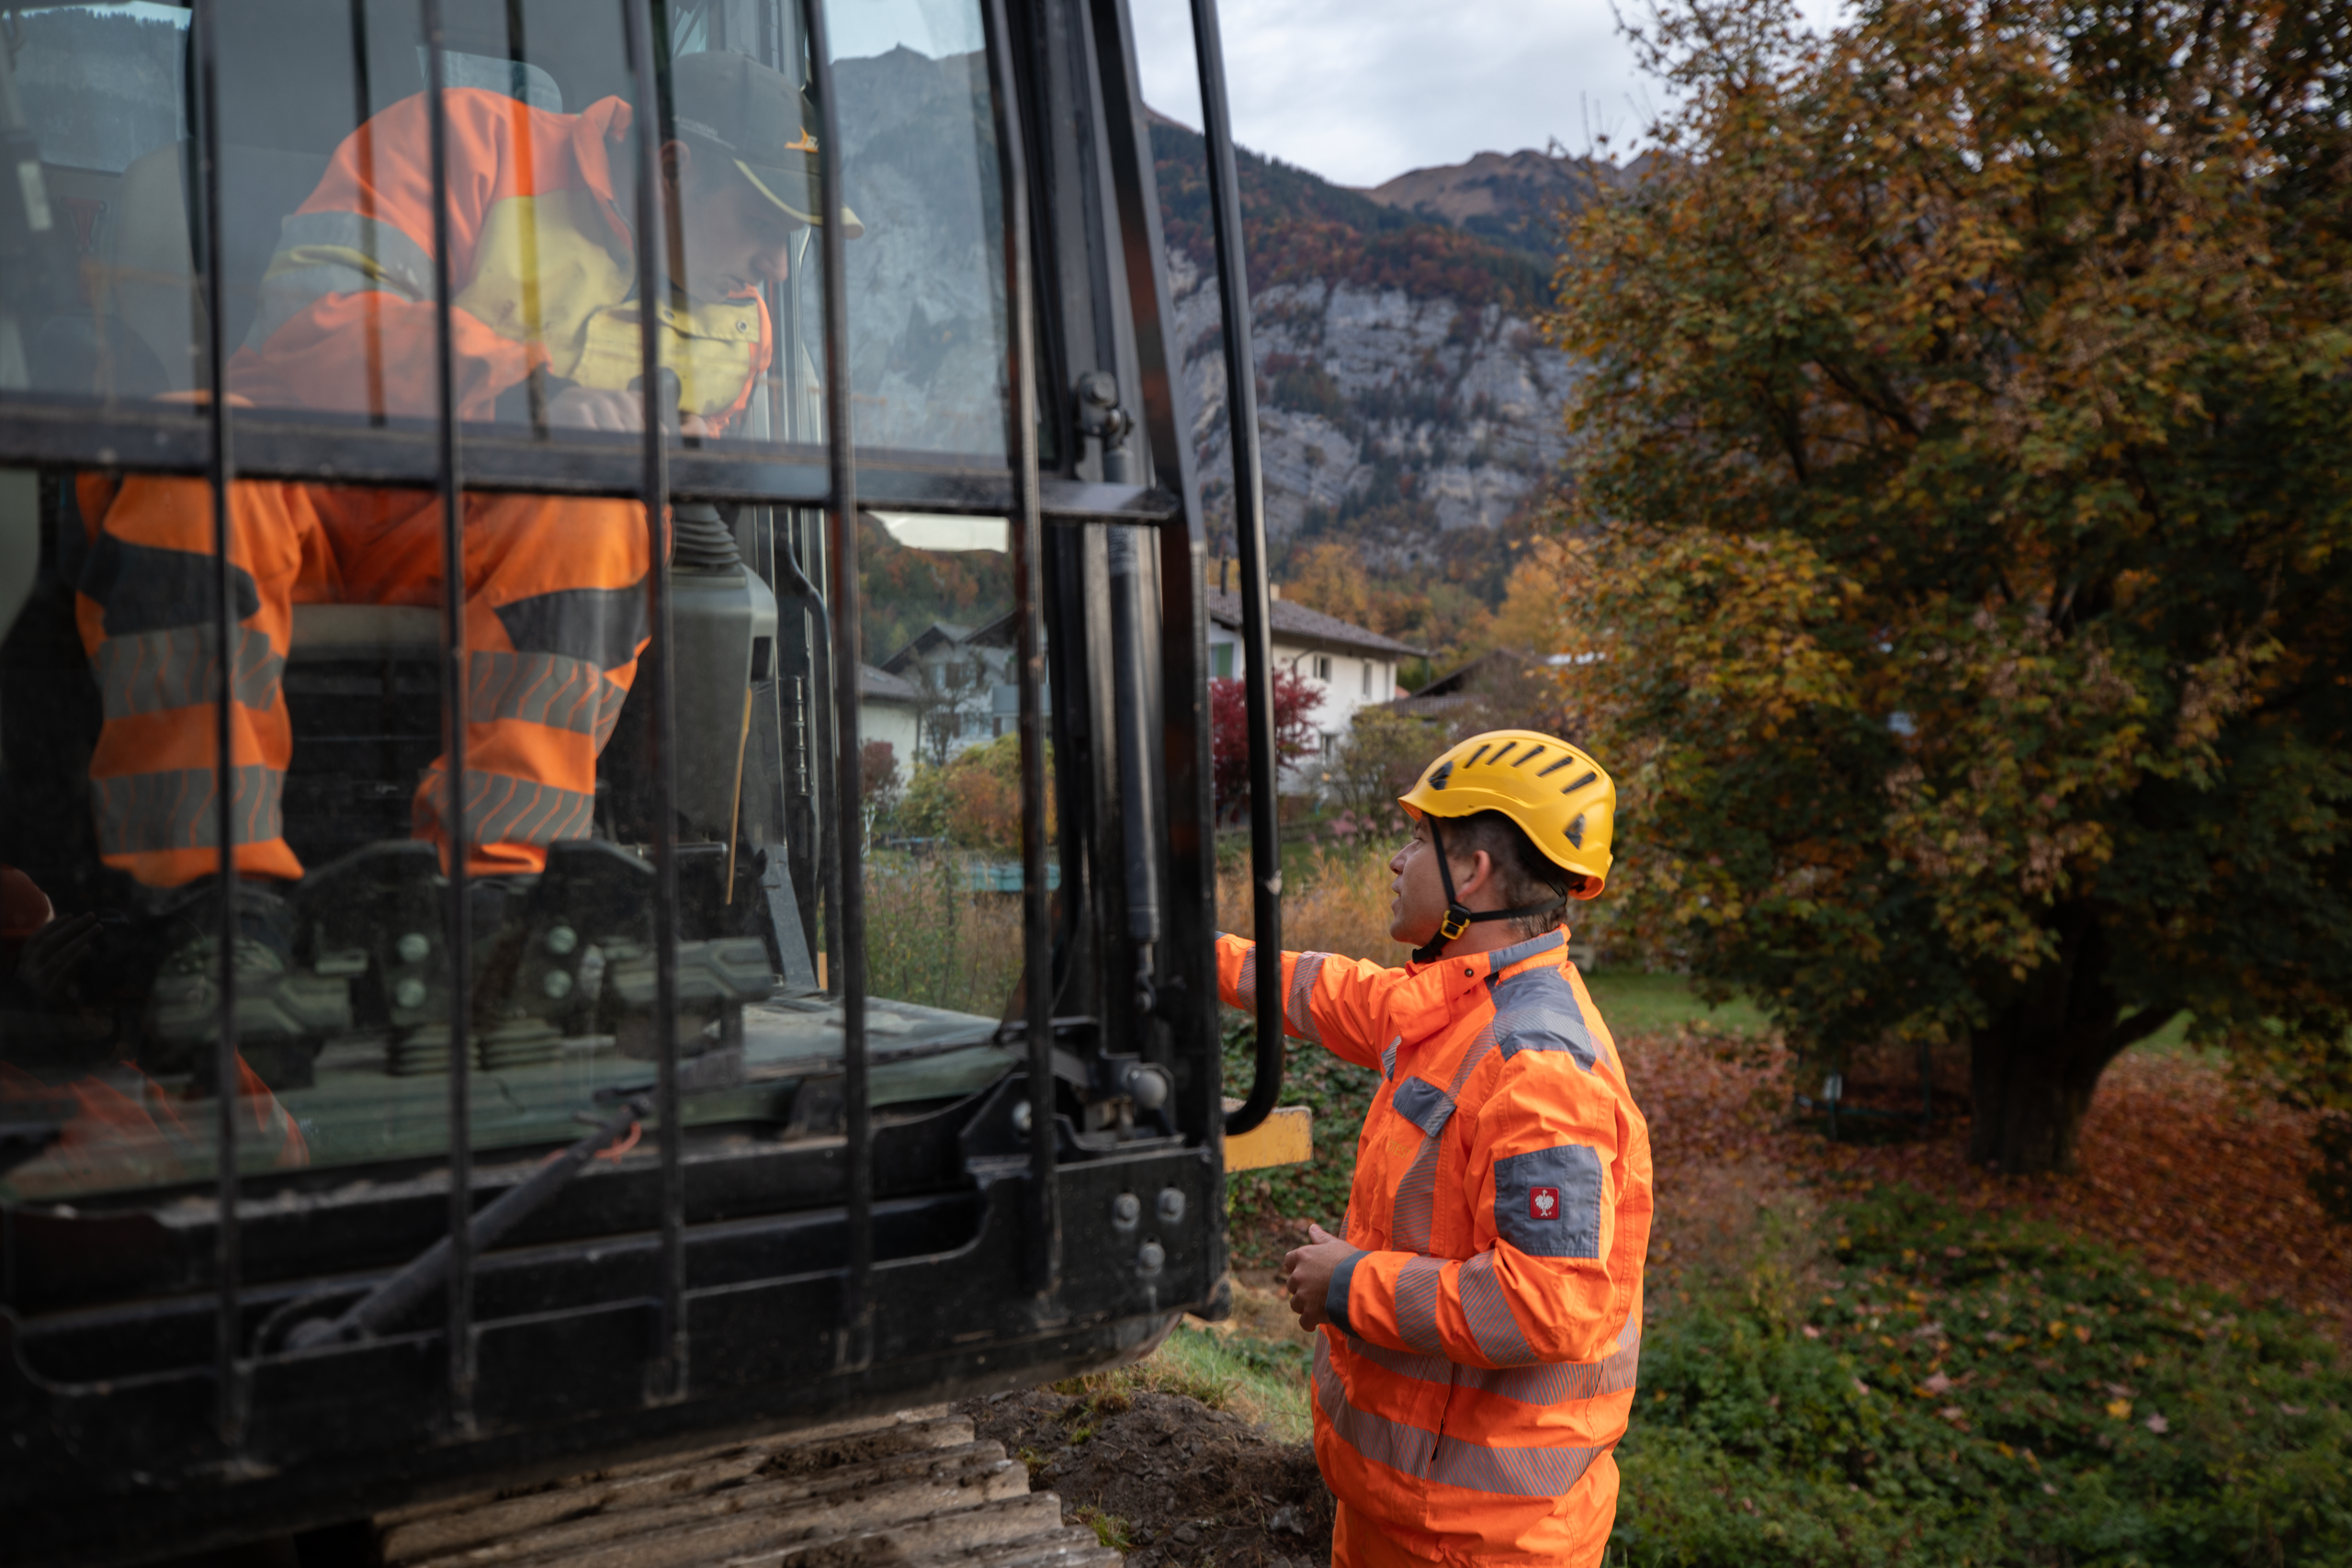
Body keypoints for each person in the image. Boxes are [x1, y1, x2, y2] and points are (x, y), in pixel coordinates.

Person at [73, 51, 853, 899]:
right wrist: (532, 401)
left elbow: (680, 481)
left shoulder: (741, 329)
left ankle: (495, 903)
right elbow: (320, 320)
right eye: (762, 222)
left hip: (484, 549)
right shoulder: (460, 143)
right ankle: (202, 911)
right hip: (309, 476)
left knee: (601, 516)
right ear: (672, 167)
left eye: (794, 236)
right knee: (192, 474)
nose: (778, 264)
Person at [1216, 730, 1652, 1568]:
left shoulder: (1540, 1068)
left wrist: (1349, 1283)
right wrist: (1195, 959)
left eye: (1418, 838)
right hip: (1405, 1514)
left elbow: (1547, 1303)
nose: (1395, 858)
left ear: (1475, 872)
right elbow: (1332, 991)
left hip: (1481, 1544)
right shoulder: (1456, 1006)